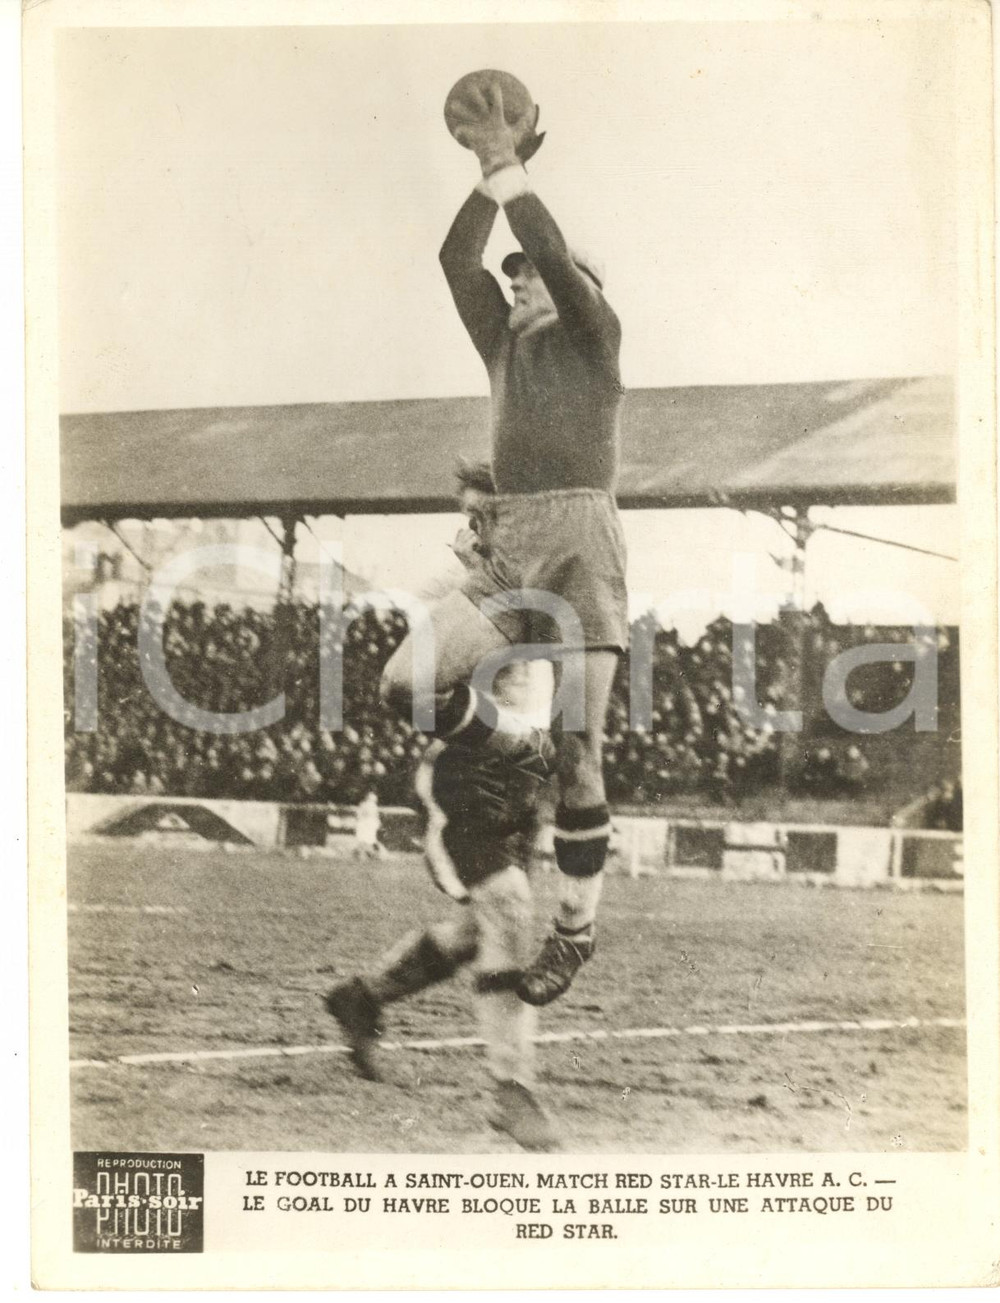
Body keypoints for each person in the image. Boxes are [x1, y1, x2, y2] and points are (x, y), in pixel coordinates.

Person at [378, 79, 627, 1007]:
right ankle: (504, 741)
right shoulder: (503, 348)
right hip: (515, 540)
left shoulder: (597, 338)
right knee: (405, 684)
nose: (518, 280)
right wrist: (491, 178)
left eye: (533, 276)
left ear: (577, 293)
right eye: (513, 274)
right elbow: (455, 256)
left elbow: (557, 254)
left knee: (581, 755)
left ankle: (575, 931)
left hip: (581, 536)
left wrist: (509, 166)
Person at [326, 470, 559, 1151]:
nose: (477, 526)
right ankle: (510, 1089)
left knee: (470, 932)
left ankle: (363, 997)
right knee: (510, 909)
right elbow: (418, 686)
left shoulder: (535, 581)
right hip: (467, 773)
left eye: (490, 513)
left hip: (522, 778)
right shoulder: (448, 587)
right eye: (471, 514)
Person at [352, 790, 386, 860]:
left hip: (370, 825)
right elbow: (359, 815)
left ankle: (374, 854)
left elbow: (375, 816)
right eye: (371, 798)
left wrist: (377, 823)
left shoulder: (373, 806)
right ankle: (363, 854)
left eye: (374, 799)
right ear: (367, 798)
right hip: (364, 824)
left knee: (370, 840)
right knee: (364, 840)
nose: (372, 800)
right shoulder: (364, 805)